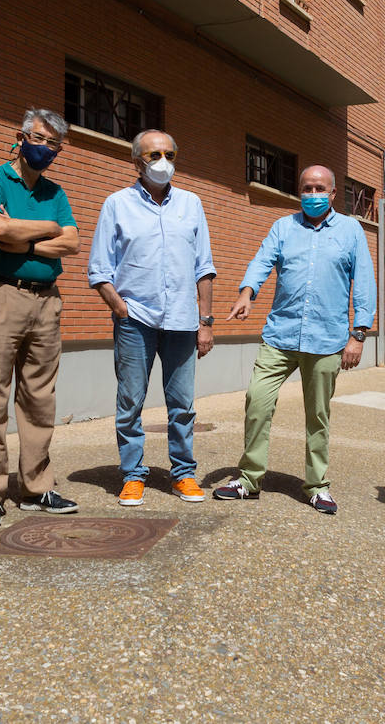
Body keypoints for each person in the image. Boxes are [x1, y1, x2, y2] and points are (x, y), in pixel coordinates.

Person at [214, 165, 375, 515]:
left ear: (333, 194)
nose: (313, 194)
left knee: (317, 415)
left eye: (320, 189)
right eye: (307, 188)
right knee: (257, 401)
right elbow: (262, 260)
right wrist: (246, 293)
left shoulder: (351, 230)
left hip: (327, 339)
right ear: (298, 191)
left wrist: (358, 334)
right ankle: (249, 478)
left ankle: (317, 485)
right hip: (280, 335)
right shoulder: (283, 227)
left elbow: (363, 283)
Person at [88, 130, 217, 507]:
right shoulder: (117, 204)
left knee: (183, 404)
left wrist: (205, 321)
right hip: (135, 320)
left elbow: (204, 267)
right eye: (153, 154)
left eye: (169, 153)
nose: (162, 161)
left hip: (182, 320)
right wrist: (119, 307)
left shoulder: (192, 204)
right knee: (130, 401)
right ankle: (132, 475)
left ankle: (183, 474)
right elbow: (99, 268)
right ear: (136, 161)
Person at [0, 109, 81, 527]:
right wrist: (45, 231)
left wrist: (26, 241)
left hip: (46, 300)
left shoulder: (56, 192)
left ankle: (36, 486)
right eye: (39, 139)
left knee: (39, 397)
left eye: (54, 144)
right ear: (20, 136)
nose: (45, 149)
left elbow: (70, 242)